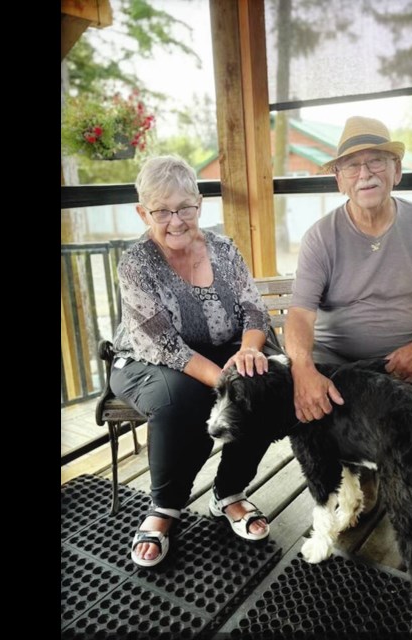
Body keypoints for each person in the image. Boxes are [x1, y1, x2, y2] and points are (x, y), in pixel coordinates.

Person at [284, 116, 412, 527]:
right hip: (342, 357)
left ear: (396, 171)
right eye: (352, 165)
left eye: (377, 161)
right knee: (312, 383)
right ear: (339, 180)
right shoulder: (321, 236)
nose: (365, 173)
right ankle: (360, 473)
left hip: (411, 349)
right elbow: (300, 314)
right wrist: (303, 366)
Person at [109, 155, 275, 567]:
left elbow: (255, 312)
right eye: (161, 211)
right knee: (181, 395)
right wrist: (225, 379)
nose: (176, 220)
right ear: (142, 212)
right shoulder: (136, 265)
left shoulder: (223, 248)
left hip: (218, 352)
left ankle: (229, 492)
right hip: (145, 361)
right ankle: (165, 506)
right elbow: (166, 345)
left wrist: (251, 350)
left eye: (185, 207)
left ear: (199, 204)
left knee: (263, 383)